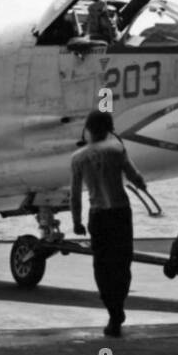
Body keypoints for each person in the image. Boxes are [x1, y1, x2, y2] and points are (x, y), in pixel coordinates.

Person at [69, 109, 148, 338]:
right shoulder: (117, 149)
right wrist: (142, 185)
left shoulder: (78, 158)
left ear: (88, 130)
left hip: (98, 216)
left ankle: (113, 312)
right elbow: (135, 177)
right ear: (109, 129)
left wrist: (76, 222)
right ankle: (119, 308)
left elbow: (75, 195)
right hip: (121, 214)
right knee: (122, 264)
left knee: (101, 267)